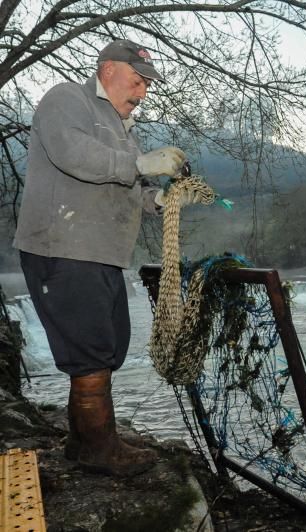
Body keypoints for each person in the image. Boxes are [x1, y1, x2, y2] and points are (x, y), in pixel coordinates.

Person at [13, 39, 186, 476]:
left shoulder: (126, 129)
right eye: (138, 80)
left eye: (147, 84)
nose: (143, 92)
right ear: (108, 70)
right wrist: (143, 165)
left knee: (107, 348)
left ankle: (87, 439)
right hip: (64, 248)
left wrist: (160, 200)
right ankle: (98, 447)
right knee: (89, 351)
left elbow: (129, 184)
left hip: (104, 254)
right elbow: (75, 156)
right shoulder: (65, 99)